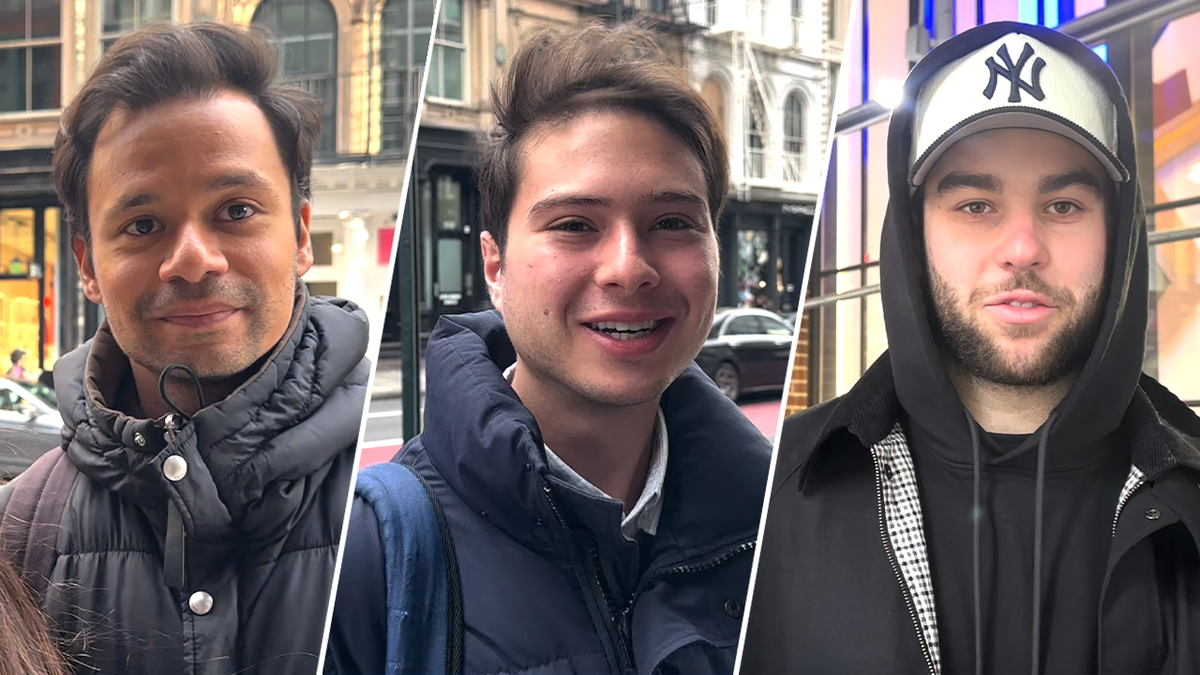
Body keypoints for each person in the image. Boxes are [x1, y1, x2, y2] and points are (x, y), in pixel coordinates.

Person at [741, 21, 1200, 674]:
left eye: (1065, 205)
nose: (1021, 248)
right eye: (976, 205)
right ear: (913, 232)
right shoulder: (773, 501)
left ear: (1118, 232)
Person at [327, 19, 770, 675]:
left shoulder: (786, 523)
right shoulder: (367, 556)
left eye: (672, 222)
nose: (629, 266)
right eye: (574, 225)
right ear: (495, 268)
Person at [0, 22, 369, 675]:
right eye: (143, 225)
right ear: (87, 264)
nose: (193, 260)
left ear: (302, 233)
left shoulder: (400, 505)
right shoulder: (19, 531)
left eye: (236, 210)